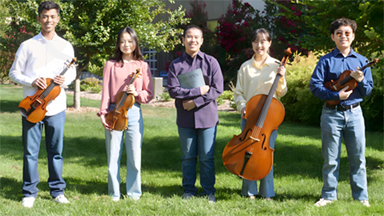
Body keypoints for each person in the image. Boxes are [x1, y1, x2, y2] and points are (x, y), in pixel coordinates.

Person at [9, 1, 75, 208]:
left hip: (56, 108)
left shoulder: (65, 46)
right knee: (30, 151)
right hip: (32, 107)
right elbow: (13, 73)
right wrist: (30, 81)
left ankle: (57, 191)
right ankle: (29, 192)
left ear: (57, 19)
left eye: (53, 16)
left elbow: (71, 71)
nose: (49, 20)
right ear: (39, 19)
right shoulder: (27, 45)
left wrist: (67, 80)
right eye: (45, 16)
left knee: (56, 151)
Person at [310, 18, 373, 207]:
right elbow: (314, 86)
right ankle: (328, 196)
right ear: (333, 37)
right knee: (330, 159)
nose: (343, 36)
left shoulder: (362, 62)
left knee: (358, 157)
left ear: (353, 36)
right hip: (331, 113)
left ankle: (361, 197)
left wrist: (361, 80)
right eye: (339, 33)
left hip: (355, 114)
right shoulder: (326, 60)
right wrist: (335, 94)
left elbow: (368, 91)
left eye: (347, 33)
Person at [167, 25, 223, 203]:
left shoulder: (211, 62)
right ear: (183, 40)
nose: (193, 40)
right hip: (185, 119)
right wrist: (197, 90)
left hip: (207, 118)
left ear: (202, 40)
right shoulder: (176, 65)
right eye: (189, 37)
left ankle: (209, 192)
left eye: (197, 37)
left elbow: (217, 89)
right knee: (188, 157)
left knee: (207, 157)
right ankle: (189, 190)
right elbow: (173, 91)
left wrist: (195, 102)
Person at [97, 26, 154, 201]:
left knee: (135, 156)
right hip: (114, 111)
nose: (126, 44)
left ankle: (134, 193)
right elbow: (106, 91)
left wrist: (137, 94)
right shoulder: (110, 65)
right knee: (113, 154)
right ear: (118, 44)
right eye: (122, 41)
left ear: (136, 43)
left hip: (134, 112)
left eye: (130, 41)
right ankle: (114, 193)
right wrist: (103, 112)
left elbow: (149, 93)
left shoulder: (142, 66)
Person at [233, 28, 287, 201]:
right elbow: (239, 92)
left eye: (263, 41)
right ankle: (249, 191)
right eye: (256, 41)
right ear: (252, 44)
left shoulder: (277, 65)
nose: (259, 45)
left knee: (266, 155)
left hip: (269, 120)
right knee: (247, 154)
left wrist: (282, 77)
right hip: (249, 118)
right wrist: (242, 106)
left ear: (269, 43)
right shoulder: (245, 67)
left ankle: (267, 192)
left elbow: (282, 92)